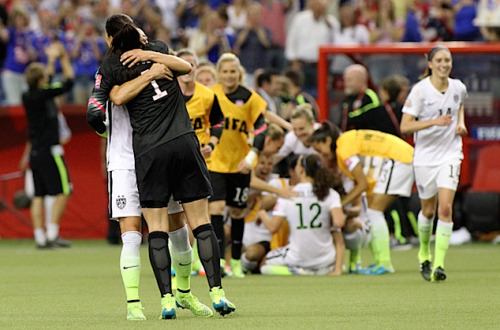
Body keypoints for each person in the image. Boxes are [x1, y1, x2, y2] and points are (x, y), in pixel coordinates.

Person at [87, 14, 234, 319]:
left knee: (173, 227)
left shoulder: (114, 65)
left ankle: (178, 296)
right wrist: (152, 67)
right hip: (137, 155)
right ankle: (136, 305)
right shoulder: (144, 55)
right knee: (143, 231)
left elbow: (103, 106)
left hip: (147, 153)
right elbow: (108, 102)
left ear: (111, 38)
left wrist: (150, 59)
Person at [400, 46, 468, 282]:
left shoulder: (458, 87)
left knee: (445, 209)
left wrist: (460, 123)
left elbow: (460, 104)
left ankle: (439, 264)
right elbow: (405, 126)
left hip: (450, 154)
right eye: (439, 60)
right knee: (427, 210)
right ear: (430, 64)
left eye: (447, 60)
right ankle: (424, 254)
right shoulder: (420, 92)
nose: (443, 64)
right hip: (425, 158)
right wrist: (433, 122)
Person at [309, 123, 415, 275]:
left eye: (319, 149)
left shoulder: (343, 150)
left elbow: (362, 184)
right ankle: (380, 261)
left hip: (398, 159)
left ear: (327, 140)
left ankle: (384, 263)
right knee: (372, 211)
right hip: (398, 157)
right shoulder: (345, 142)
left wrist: (339, 205)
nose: (321, 154)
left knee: (374, 212)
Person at [208, 52, 268, 278]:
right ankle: (219, 261)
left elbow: (261, 128)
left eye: (233, 71)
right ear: (218, 74)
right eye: (225, 71)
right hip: (215, 162)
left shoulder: (250, 98)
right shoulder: (210, 95)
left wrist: (253, 155)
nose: (229, 75)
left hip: (240, 163)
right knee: (215, 209)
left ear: (239, 73)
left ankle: (236, 262)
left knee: (236, 211)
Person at [21, 41, 73, 248]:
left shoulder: (28, 96)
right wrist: (60, 58)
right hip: (51, 152)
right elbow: (68, 83)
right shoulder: (43, 94)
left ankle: (39, 237)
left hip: (35, 152)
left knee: (38, 195)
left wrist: (50, 62)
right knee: (64, 190)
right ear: (41, 80)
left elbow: (48, 81)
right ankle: (52, 233)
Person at [258, 154, 345, 276]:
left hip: (297, 258)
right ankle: (328, 269)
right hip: (325, 260)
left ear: (301, 170)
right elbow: (339, 222)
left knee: (264, 265)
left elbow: (273, 227)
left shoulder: (289, 193)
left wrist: (261, 213)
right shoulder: (330, 193)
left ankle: (297, 271)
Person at [176, 48, 224, 162]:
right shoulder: (166, 94)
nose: (187, 69)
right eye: (182, 64)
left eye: (190, 65)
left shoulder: (208, 95)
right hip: (174, 157)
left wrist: (211, 145)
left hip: (200, 158)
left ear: (196, 68)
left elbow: (218, 123)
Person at [337, 64, 398, 137]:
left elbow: (367, 117)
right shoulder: (347, 99)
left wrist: (350, 118)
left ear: (361, 80)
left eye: (350, 80)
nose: (346, 84)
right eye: (345, 80)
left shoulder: (370, 97)